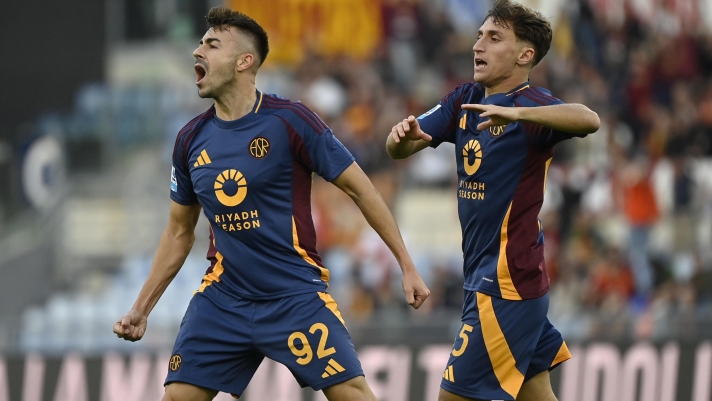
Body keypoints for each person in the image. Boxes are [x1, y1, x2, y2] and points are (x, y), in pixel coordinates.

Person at [113, 6, 430, 401]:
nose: (198, 51)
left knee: (352, 394)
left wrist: (406, 264)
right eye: (200, 43)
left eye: (211, 44)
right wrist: (141, 308)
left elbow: (362, 189)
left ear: (244, 61)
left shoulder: (291, 121)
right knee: (177, 397)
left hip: (294, 296)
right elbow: (179, 232)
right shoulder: (189, 140)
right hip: (223, 299)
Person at [386, 1, 600, 400]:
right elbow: (399, 150)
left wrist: (520, 117)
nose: (477, 44)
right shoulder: (464, 98)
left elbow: (590, 119)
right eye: (480, 35)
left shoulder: (532, 105)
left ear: (525, 55)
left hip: (504, 284)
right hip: (494, 278)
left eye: (494, 37)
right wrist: (399, 138)